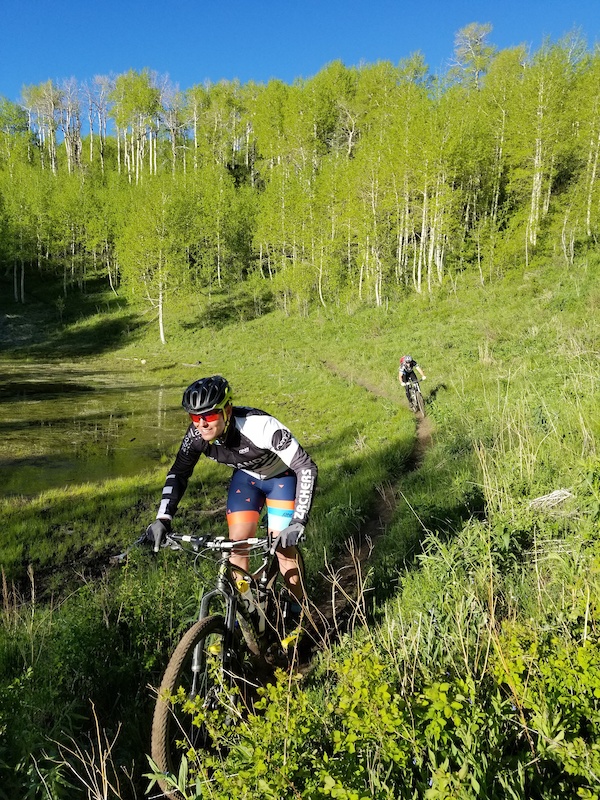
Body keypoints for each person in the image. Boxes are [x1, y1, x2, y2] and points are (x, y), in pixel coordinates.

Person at [146, 376, 317, 610]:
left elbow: (305, 466)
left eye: (208, 416)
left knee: (282, 546)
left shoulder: (260, 427)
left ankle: (300, 609)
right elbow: (178, 473)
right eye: (195, 417)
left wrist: (298, 521)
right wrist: (163, 518)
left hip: (281, 479)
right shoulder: (196, 436)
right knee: (236, 545)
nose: (201, 424)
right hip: (246, 479)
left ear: (227, 410)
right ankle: (247, 612)